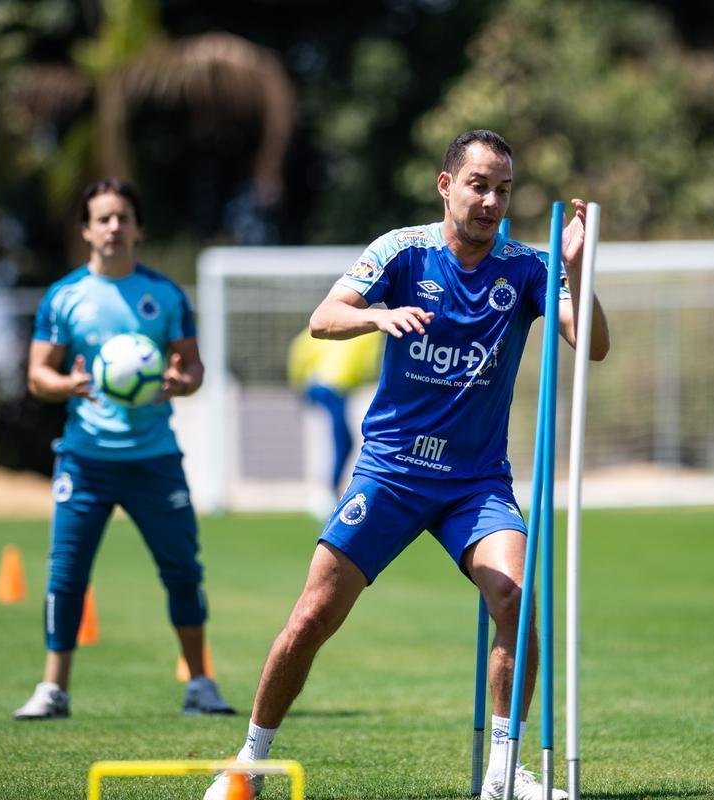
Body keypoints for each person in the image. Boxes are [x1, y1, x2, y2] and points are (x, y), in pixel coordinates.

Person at [204, 130, 609, 799]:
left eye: (503, 189)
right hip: (390, 473)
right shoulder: (400, 250)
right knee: (311, 618)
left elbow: (590, 345)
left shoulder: (529, 267)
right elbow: (324, 318)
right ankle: (248, 761)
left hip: (475, 483)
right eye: (479, 184)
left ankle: (505, 774)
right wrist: (379, 316)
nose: (490, 201)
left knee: (515, 596)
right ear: (445, 184)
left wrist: (580, 270)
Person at [13, 179, 235, 720]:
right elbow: (38, 376)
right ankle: (53, 690)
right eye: (103, 219)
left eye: (122, 218)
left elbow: (195, 367)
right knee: (65, 575)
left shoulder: (165, 296)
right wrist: (72, 384)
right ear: (87, 229)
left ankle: (200, 684)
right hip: (86, 460)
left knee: (182, 571)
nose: (113, 228)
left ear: (138, 228)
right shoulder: (64, 297)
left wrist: (182, 383)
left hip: (154, 458)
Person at [286, 327, 384, 516]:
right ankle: (325, 492)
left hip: (319, 388)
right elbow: (369, 363)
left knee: (337, 442)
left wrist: (298, 385)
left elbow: (299, 357)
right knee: (335, 443)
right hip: (331, 389)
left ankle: (328, 490)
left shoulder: (314, 330)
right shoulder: (372, 330)